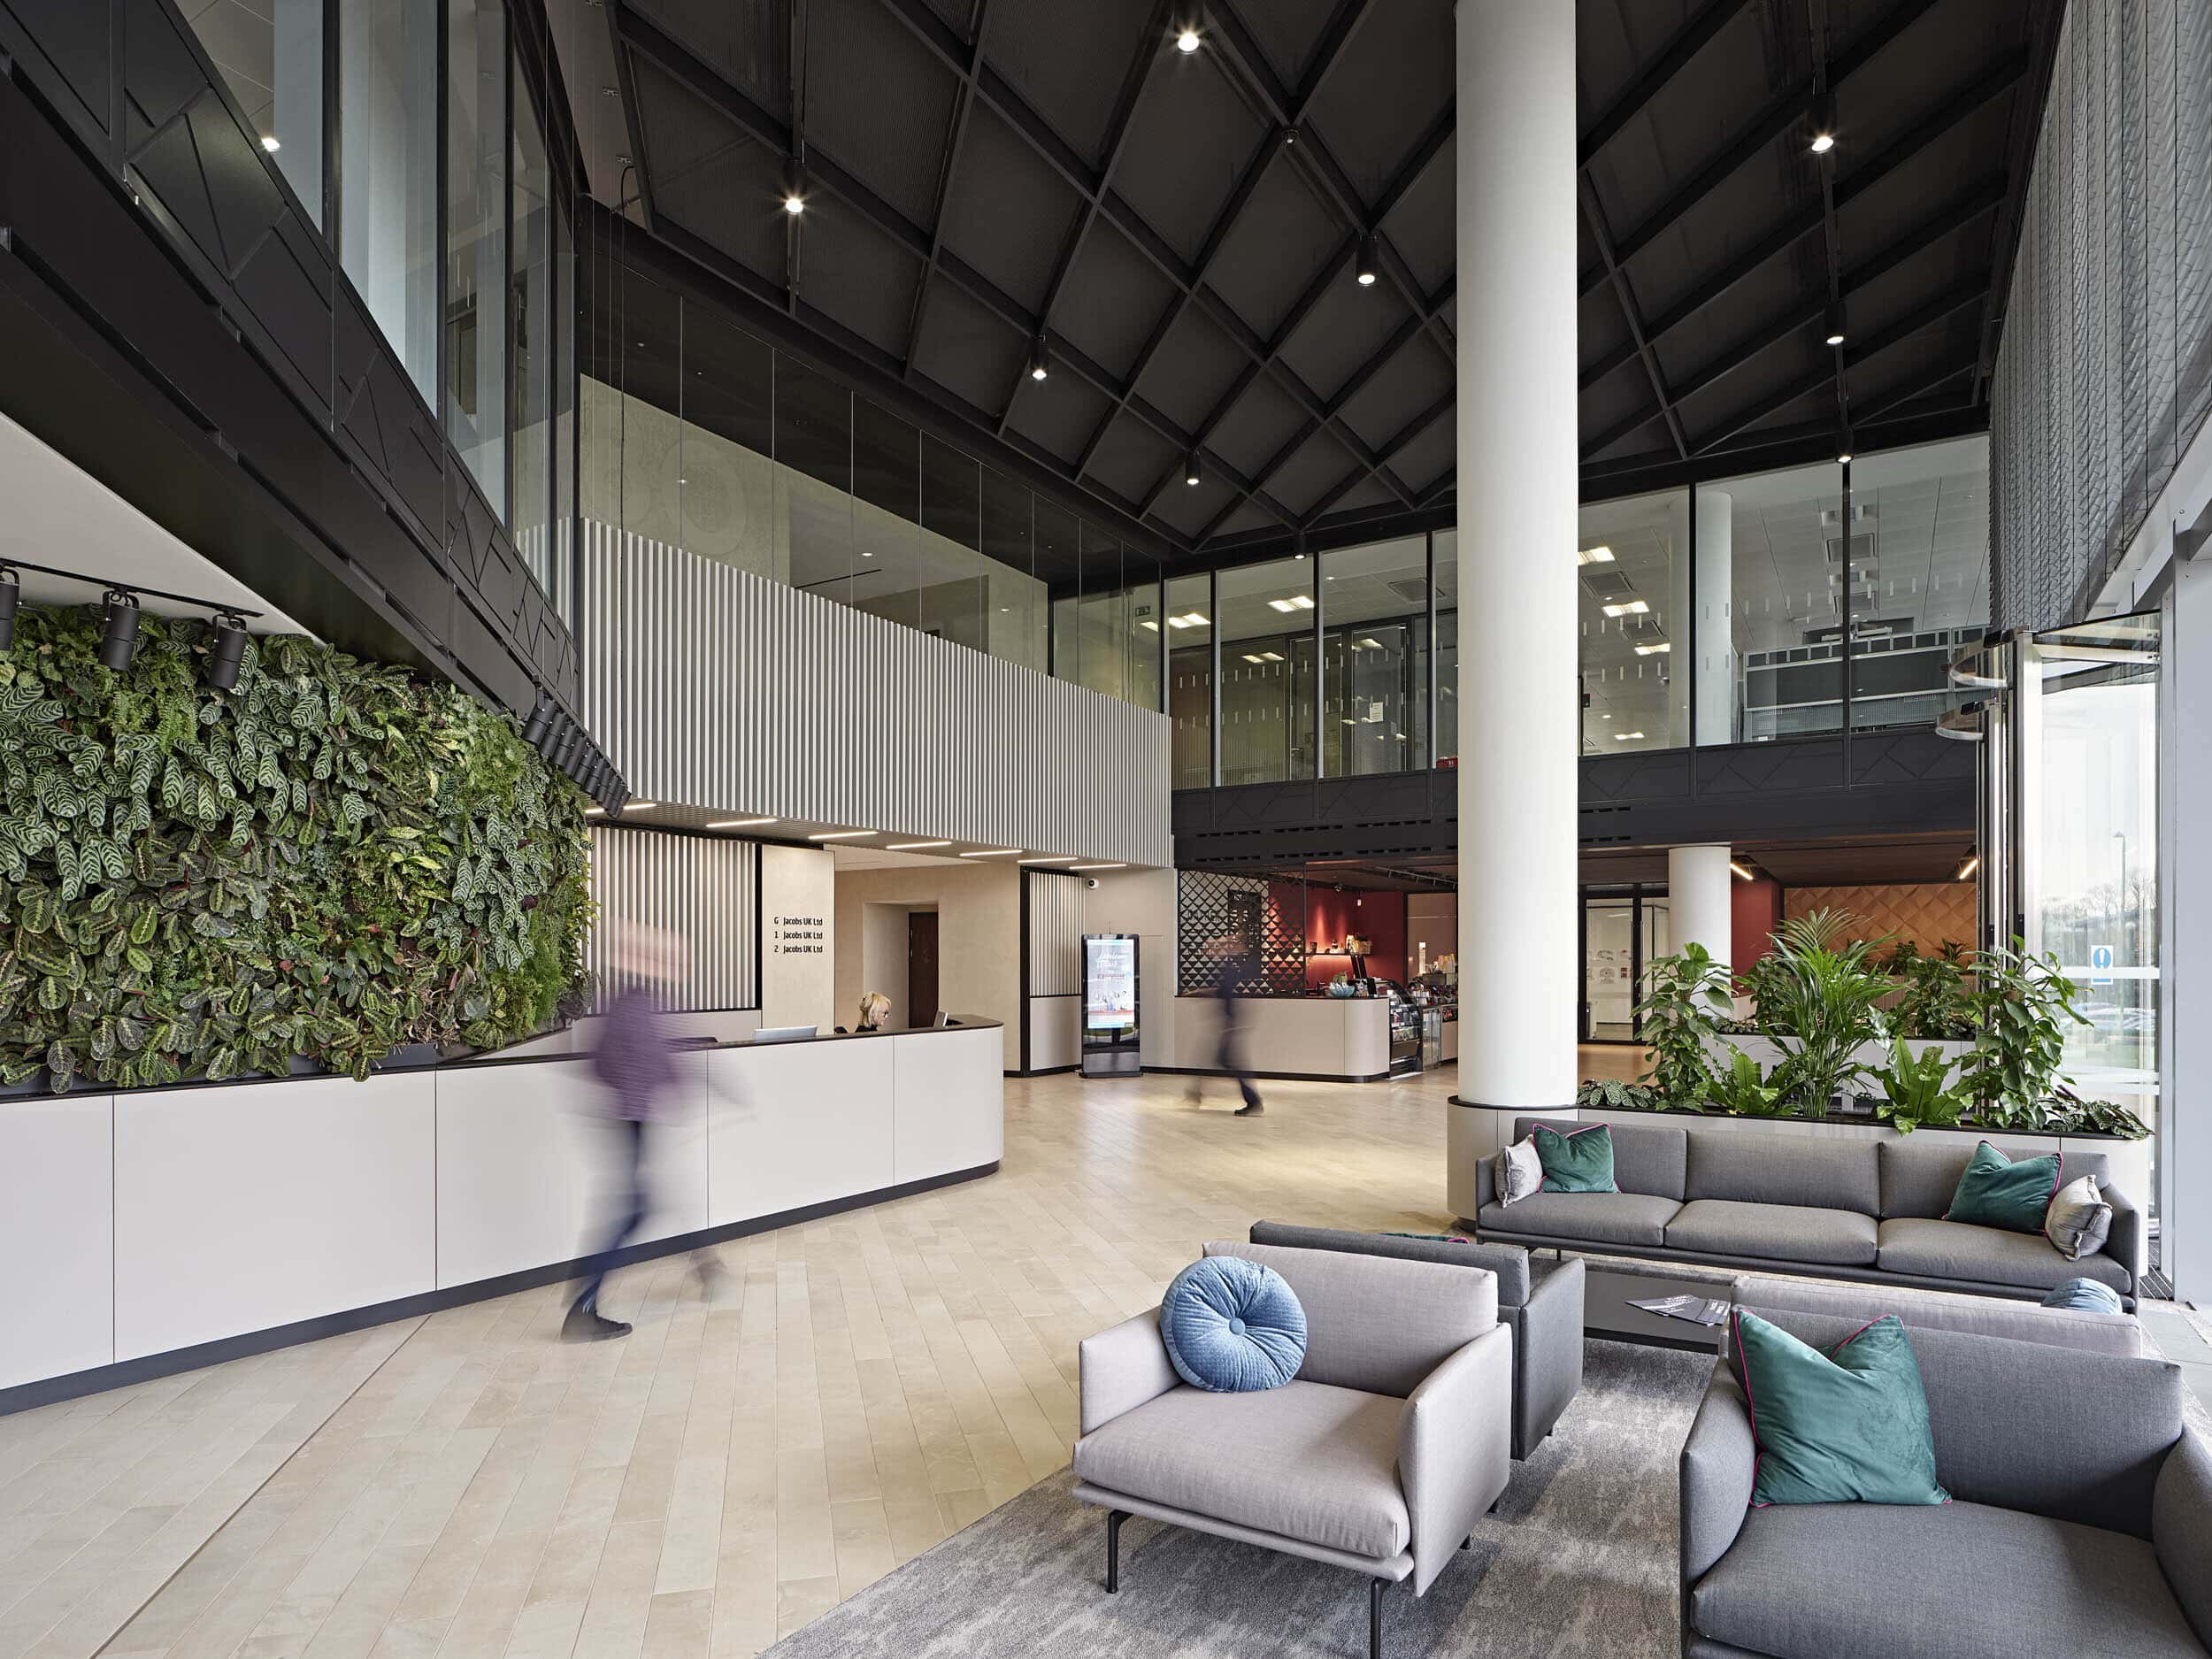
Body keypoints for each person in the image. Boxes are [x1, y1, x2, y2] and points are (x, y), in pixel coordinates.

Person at [565, 923, 709, 1340]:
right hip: (632, 1119)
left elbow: (611, 1062)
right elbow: (648, 1061)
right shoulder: (635, 1005)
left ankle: (704, 1264)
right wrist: (665, 1085)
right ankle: (582, 1306)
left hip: (631, 1118)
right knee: (635, 1209)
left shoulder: (631, 1002)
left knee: (644, 1204)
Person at [1189, 936, 1264, 1116]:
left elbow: (1224, 992)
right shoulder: (1229, 967)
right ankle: (1196, 1093)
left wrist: (1201, 993)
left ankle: (1253, 1102)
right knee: (1223, 1061)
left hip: (1231, 1025)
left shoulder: (1232, 967)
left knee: (1227, 1062)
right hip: (1230, 1025)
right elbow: (1222, 992)